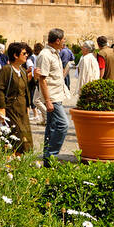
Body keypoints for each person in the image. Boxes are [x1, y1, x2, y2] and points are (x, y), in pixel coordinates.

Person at [35, 28, 71, 166]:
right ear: (57, 40)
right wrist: (48, 101)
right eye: (63, 40)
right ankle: (52, 156)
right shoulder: (45, 55)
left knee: (51, 127)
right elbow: (42, 79)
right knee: (63, 125)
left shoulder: (54, 53)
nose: (64, 42)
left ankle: (47, 160)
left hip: (57, 95)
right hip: (52, 97)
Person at [0, 42, 33, 154]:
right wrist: (1, 109)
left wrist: (28, 106)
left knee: (26, 138)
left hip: (22, 110)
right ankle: (10, 163)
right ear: (15, 55)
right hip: (11, 109)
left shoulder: (23, 71)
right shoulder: (6, 70)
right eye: (24, 53)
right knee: (15, 137)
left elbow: (26, 90)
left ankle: (20, 163)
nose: (26, 55)